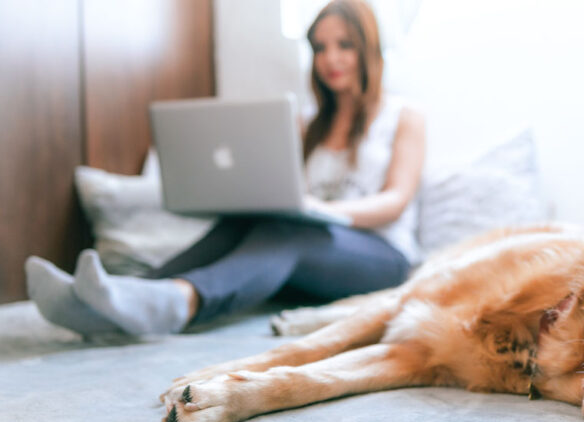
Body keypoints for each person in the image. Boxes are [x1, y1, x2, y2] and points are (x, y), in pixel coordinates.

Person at [25, 0, 425, 336]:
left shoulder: (403, 115)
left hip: (381, 256)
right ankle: (117, 296)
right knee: (251, 222)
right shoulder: (306, 123)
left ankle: (181, 301)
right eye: (320, 48)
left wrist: (324, 212)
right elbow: (284, 188)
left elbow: (396, 199)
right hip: (310, 243)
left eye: (344, 45)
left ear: (367, 48)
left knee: (288, 232)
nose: (330, 59)